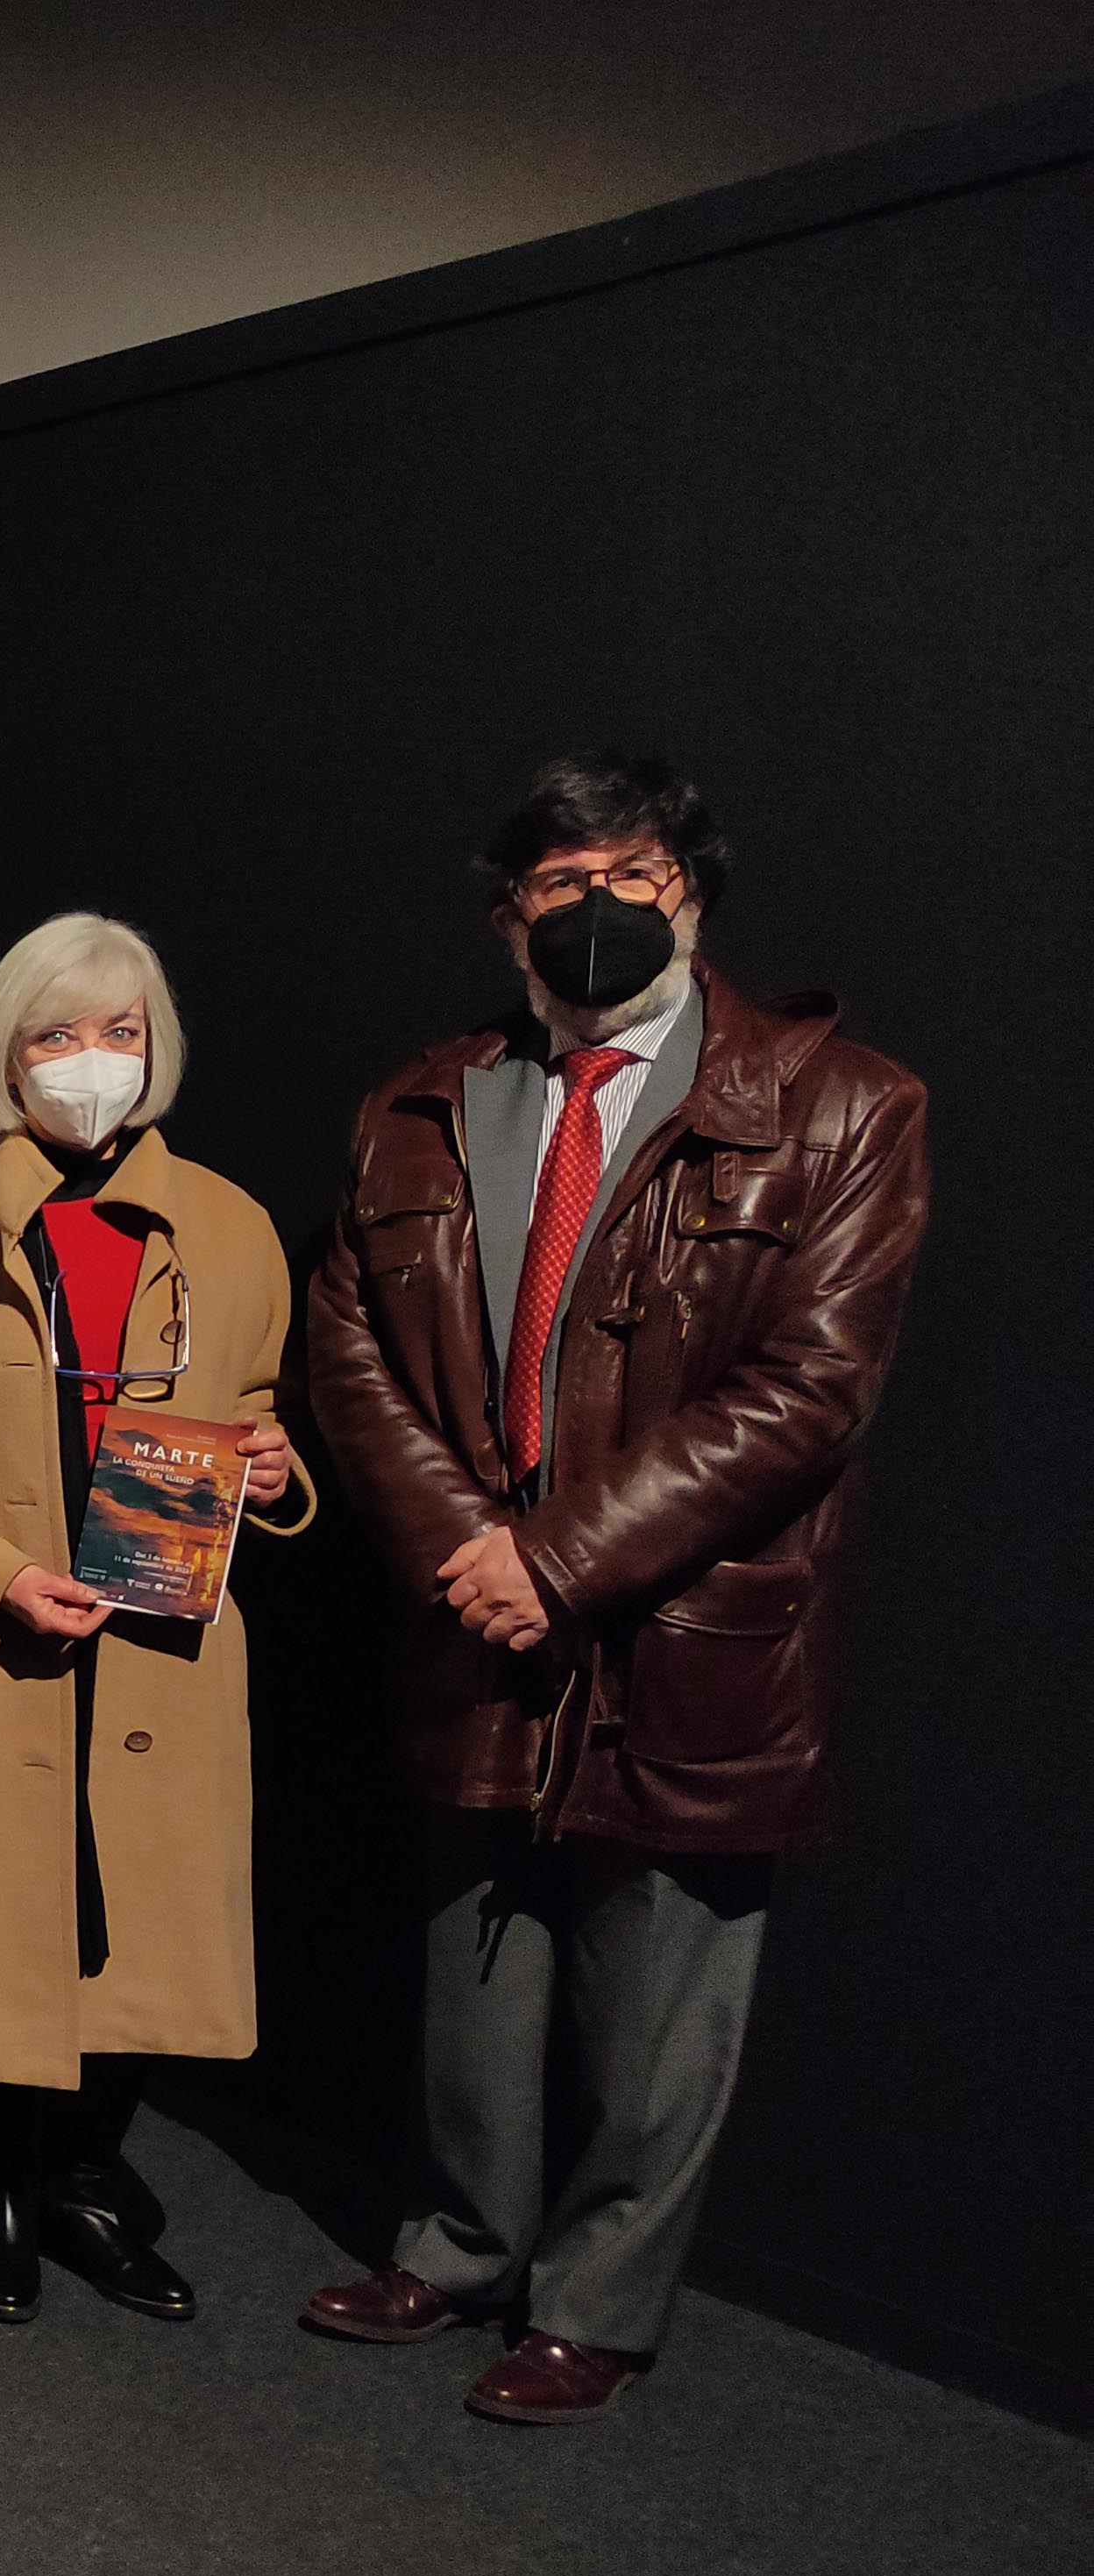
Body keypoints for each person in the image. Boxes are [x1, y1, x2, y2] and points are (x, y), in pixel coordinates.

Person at [297, 753, 927, 2422]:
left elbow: (813, 1387)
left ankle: (597, 2305)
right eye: (557, 883)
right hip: (474, 1611)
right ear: (509, 920)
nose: (595, 910)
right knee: (475, 1958)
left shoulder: (846, 1105)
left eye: (630, 875)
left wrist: (564, 1560)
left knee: (658, 1995)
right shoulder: (422, 1104)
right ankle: (455, 2246)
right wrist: (471, 1550)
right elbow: (348, 1344)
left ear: (692, 897)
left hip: (683, 1620)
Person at [0, 917, 308, 2323]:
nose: (94, 1062)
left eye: (121, 1032)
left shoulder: (231, 1226)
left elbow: (253, 1408)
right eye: (58, 1034)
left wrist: (274, 1470)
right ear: (7, 1057)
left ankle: (87, 2174)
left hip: (157, 1644)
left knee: (134, 1926)